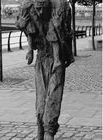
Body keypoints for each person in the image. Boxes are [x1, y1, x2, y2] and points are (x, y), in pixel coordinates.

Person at [16, 0, 74, 139]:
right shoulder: (29, 9)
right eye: (38, 9)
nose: (41, 12)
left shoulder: (59, 8)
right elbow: (27, 29)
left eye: (43, 8)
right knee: (41, 101)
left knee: (53, 99)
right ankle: (40, 132)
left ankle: (49, 132)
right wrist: (29, 47)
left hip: (56, 61)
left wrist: (63, 58)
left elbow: (63, 36)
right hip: (41, 59)